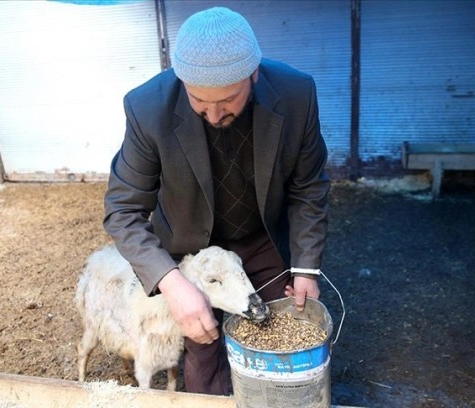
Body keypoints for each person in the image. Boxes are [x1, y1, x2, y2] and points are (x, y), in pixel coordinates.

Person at [103, 6, 330, 395]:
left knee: (281, 337)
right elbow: (123, 210)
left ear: (253, 75)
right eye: (198, 100)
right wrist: (173, 283)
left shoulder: (296, 94)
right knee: (203, 356)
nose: (212, 114)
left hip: (260, 237)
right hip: (189, 253)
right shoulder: (146, 108)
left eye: (227, 100)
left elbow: (308, 186)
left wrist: (306, 268)